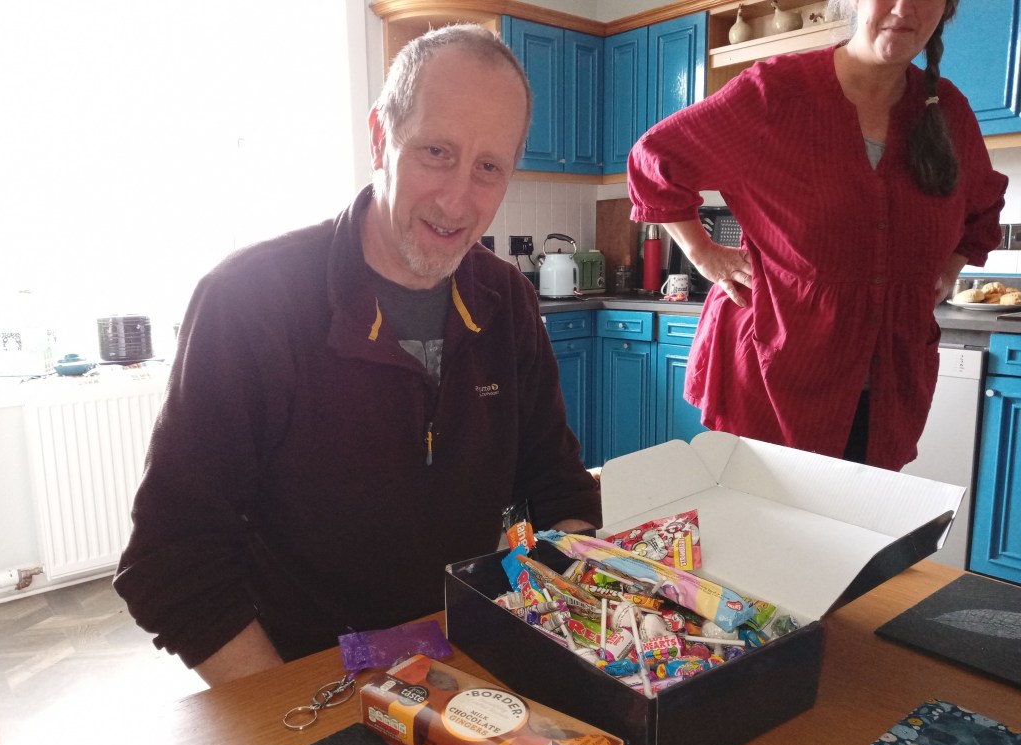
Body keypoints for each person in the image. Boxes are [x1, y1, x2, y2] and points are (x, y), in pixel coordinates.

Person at [113, 24, 601, 686]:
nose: (458, 200)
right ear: (379, 138)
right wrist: (292, 716)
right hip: (303, 680)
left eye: (489, 167)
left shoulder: (506, 301)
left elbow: (559, 487)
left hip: (460, 662)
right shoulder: (249, 301)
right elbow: (170, 562)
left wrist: (564, 629)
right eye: (436, 151)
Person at [628, 0, 1006, 471]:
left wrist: (948, 270)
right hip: (775, 377)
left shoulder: (948, 111)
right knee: (766, 513)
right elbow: (654, 160)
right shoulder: (775, 94)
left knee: (863, 512)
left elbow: (983, 207)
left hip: (888, 387)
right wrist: (703, 254)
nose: (904, 7)